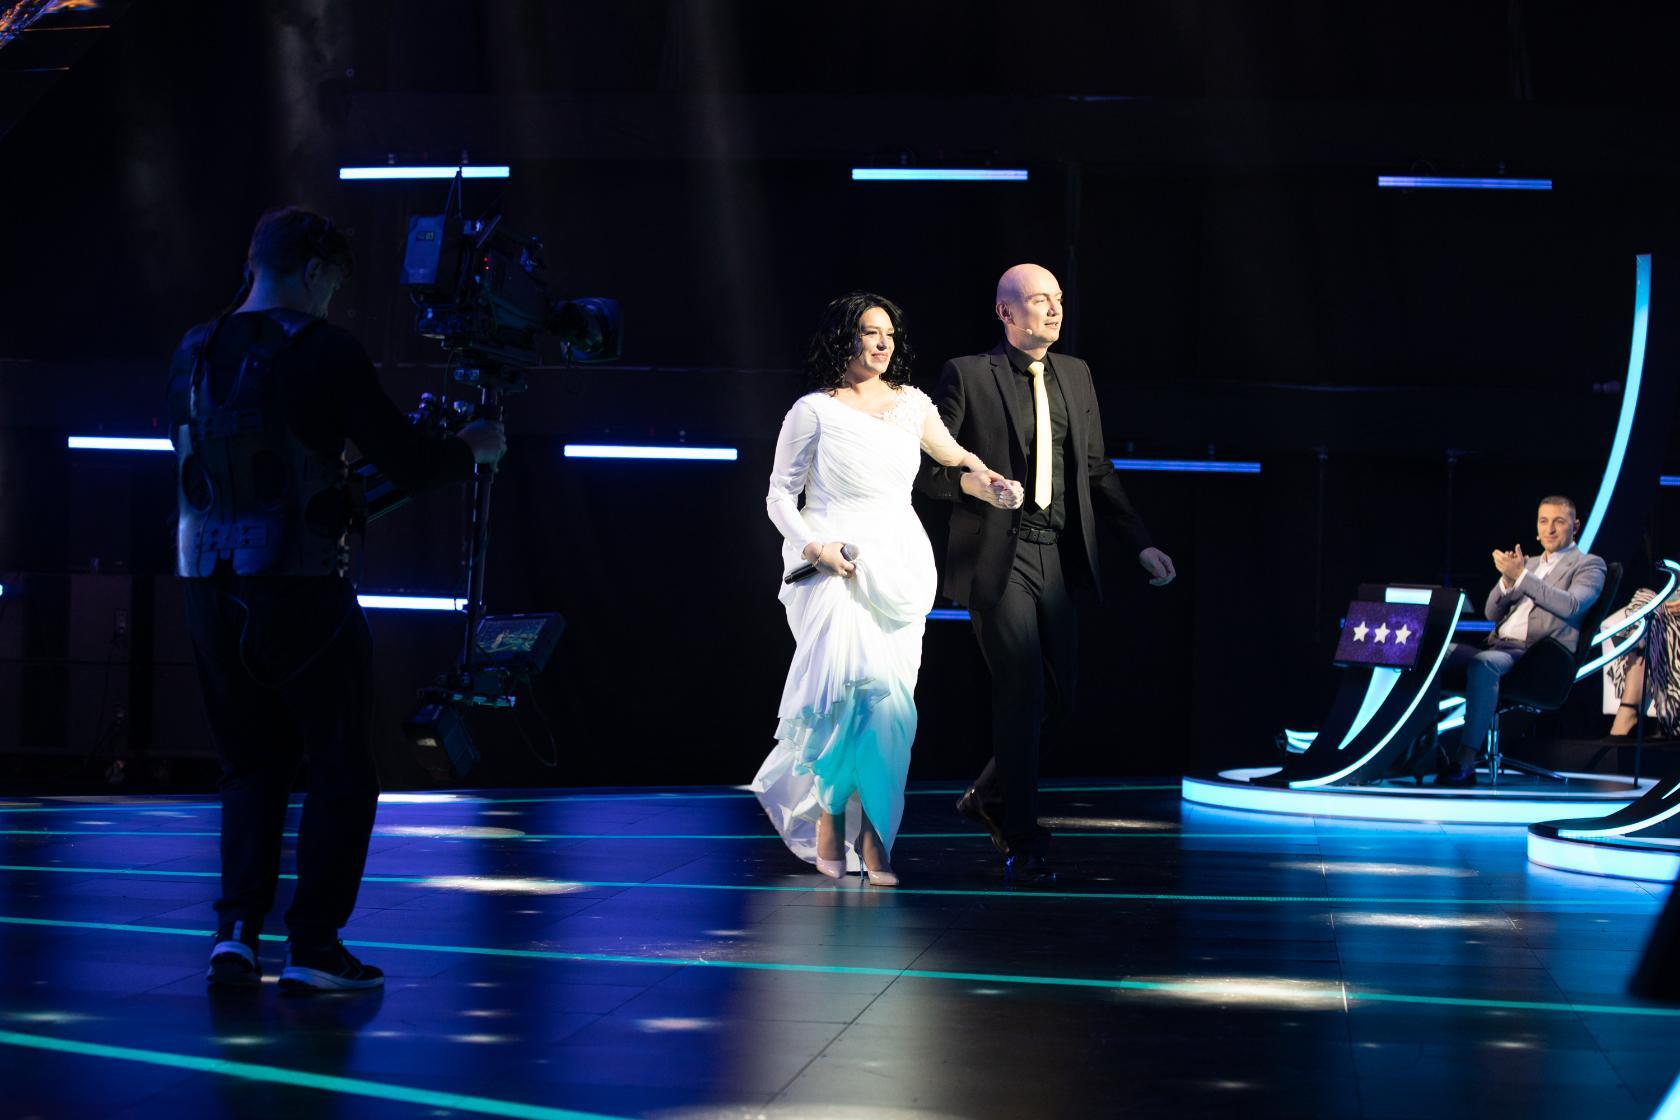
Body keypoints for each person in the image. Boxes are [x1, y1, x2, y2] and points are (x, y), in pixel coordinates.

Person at [170, 207, 507, 991]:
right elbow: (408, 459)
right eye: (332, 285)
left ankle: (235, 935)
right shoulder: (324, 349)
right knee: (340, 767)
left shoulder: (192, 349)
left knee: (248, 765)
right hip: (301, 589)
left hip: (206, 589)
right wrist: (471, 448)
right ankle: (314, 947)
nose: (331, 300)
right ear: (317, 271)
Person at [915, 263, 1176, 885]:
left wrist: (1139, 543)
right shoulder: (968, 374)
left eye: (1057, 298)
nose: (1054, 310)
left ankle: (987, 795)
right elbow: (927, 472)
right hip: (997, 556)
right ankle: (1022, 836)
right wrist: (976, 485)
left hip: (1054, 552)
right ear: (1005, 312)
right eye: (1039, 300)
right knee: (1022, 691)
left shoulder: (1075, 374)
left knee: (1061, 699)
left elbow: (1097, 469)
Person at [752, 292, 1020, 886]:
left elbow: (955, 457)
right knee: (846, 699)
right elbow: (779, 496)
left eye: (889, 334)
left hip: (898, 561)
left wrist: (990, 482)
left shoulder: (912, 404)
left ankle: (875, 834)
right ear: (842, 338)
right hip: (836, 563)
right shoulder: (812, 411)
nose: (881, 343)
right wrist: (815, 547)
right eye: (869, 332)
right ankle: (830, 818)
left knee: (891, 708)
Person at [1435, 495, 1606, 786]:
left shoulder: (1589, 565)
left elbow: (1572, 606)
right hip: (1499, 646)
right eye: (1544, 521)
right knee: (1432, 652)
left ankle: (1464, 759)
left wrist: (1523, 577)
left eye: (1559, 521)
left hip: (1536, 656)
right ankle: (1421, 748)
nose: (1550, 529)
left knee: (1483, 664)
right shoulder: (1529, 563)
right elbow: (1491, 612)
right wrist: (1507, 580)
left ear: (1575, 526)